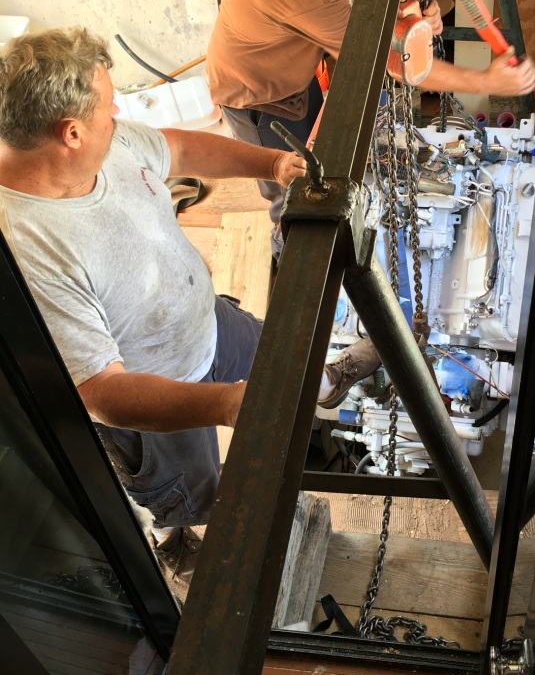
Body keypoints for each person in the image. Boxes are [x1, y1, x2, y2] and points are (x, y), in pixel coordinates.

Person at [0, 28, 377, 550]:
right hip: (158, 387)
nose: (117, 114)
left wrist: (270, 164)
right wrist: (224, 405)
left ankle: (322, 383)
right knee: (187, 494)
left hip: (206, 322)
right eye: (108, 107)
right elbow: (101, 393)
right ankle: (172, 540)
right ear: (71, 133)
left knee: (283, 359)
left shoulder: (108, 143)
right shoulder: (26, 250)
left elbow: (175, 148)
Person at [207, 0, 535, 253]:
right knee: (296, 194)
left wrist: (410, 6)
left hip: (287, 71)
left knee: (317, 158)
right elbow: (394, 61)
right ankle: (286, 256)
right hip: (258, 97)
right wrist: (487, 81)